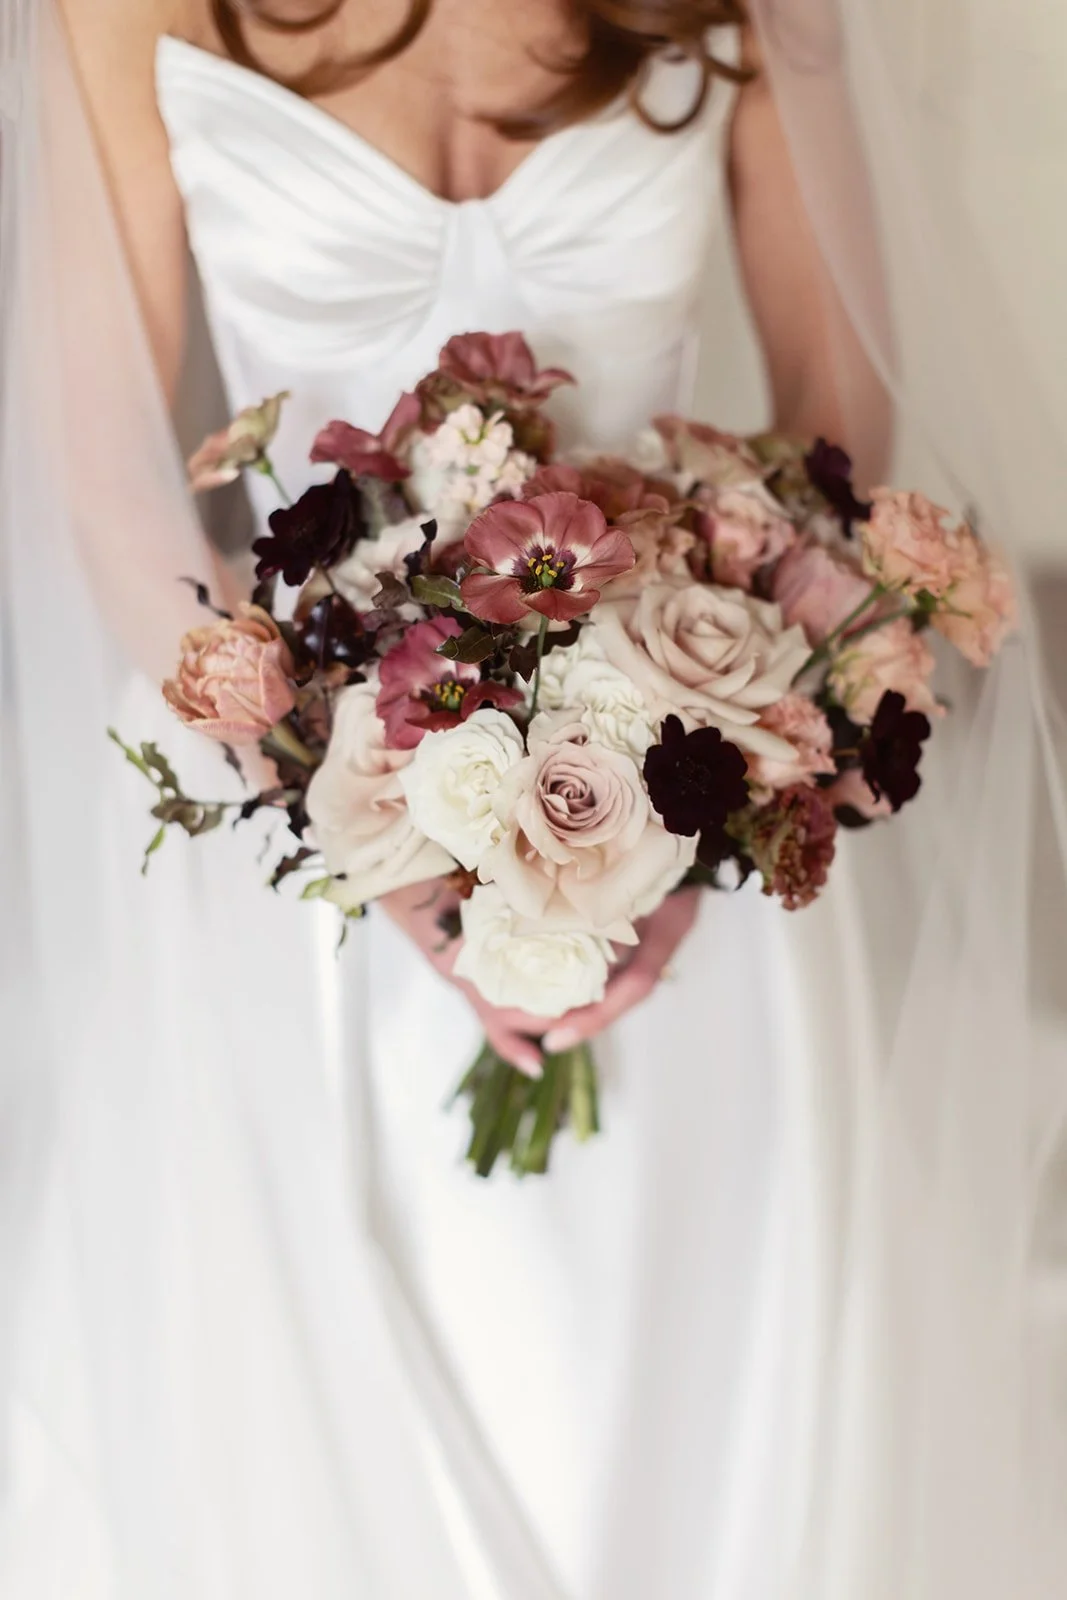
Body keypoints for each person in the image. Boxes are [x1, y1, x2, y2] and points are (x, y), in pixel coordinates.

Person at [1, 1, 1063, 1596]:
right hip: (293, 848)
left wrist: (678, 810)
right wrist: (369, 826)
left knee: (704, 1412)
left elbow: (836, 417)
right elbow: (102, 471)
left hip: (690, 820)